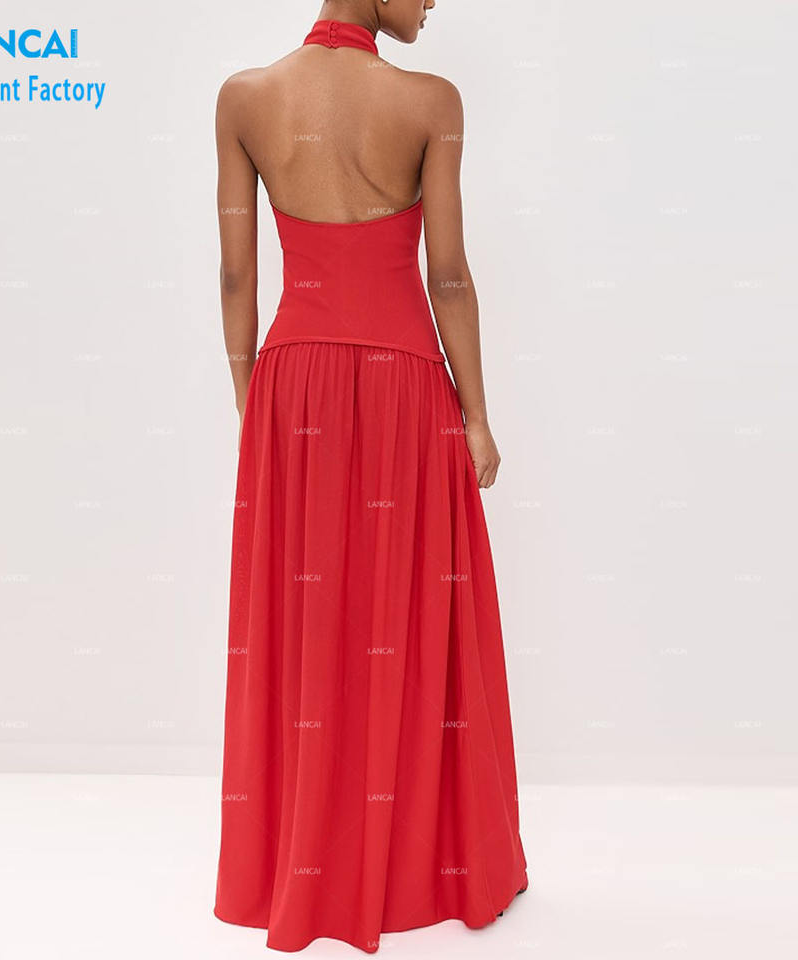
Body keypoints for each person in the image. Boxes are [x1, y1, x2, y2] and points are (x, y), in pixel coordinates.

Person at [213, 3, 528, 952]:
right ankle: (421, 866)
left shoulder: (245, 98)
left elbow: (236, 278)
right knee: (414, 614)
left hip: (292, 381)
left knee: (308, 620)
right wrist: (477, 414)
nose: (432, 2)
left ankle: (305, 867)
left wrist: (253, 404)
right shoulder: (431, 102)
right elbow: (449, 274)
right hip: (404, 383)